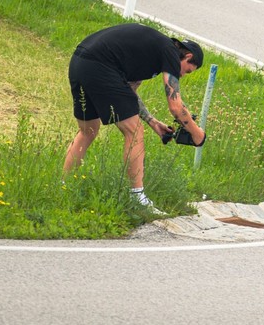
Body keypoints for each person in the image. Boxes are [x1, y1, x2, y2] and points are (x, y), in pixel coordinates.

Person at [63, 23, 206, 209]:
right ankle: (137, 199)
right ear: (188, 56)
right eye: (187, 70)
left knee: (88, 130)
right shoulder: (170, 52)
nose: (182, 75)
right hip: (101, 66)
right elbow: (176, 106)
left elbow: (128, 92)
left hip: (80, 62)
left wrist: (152, 122)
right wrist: (197, 135)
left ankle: (65, 186)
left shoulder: (150, 52)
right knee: (135, 132)